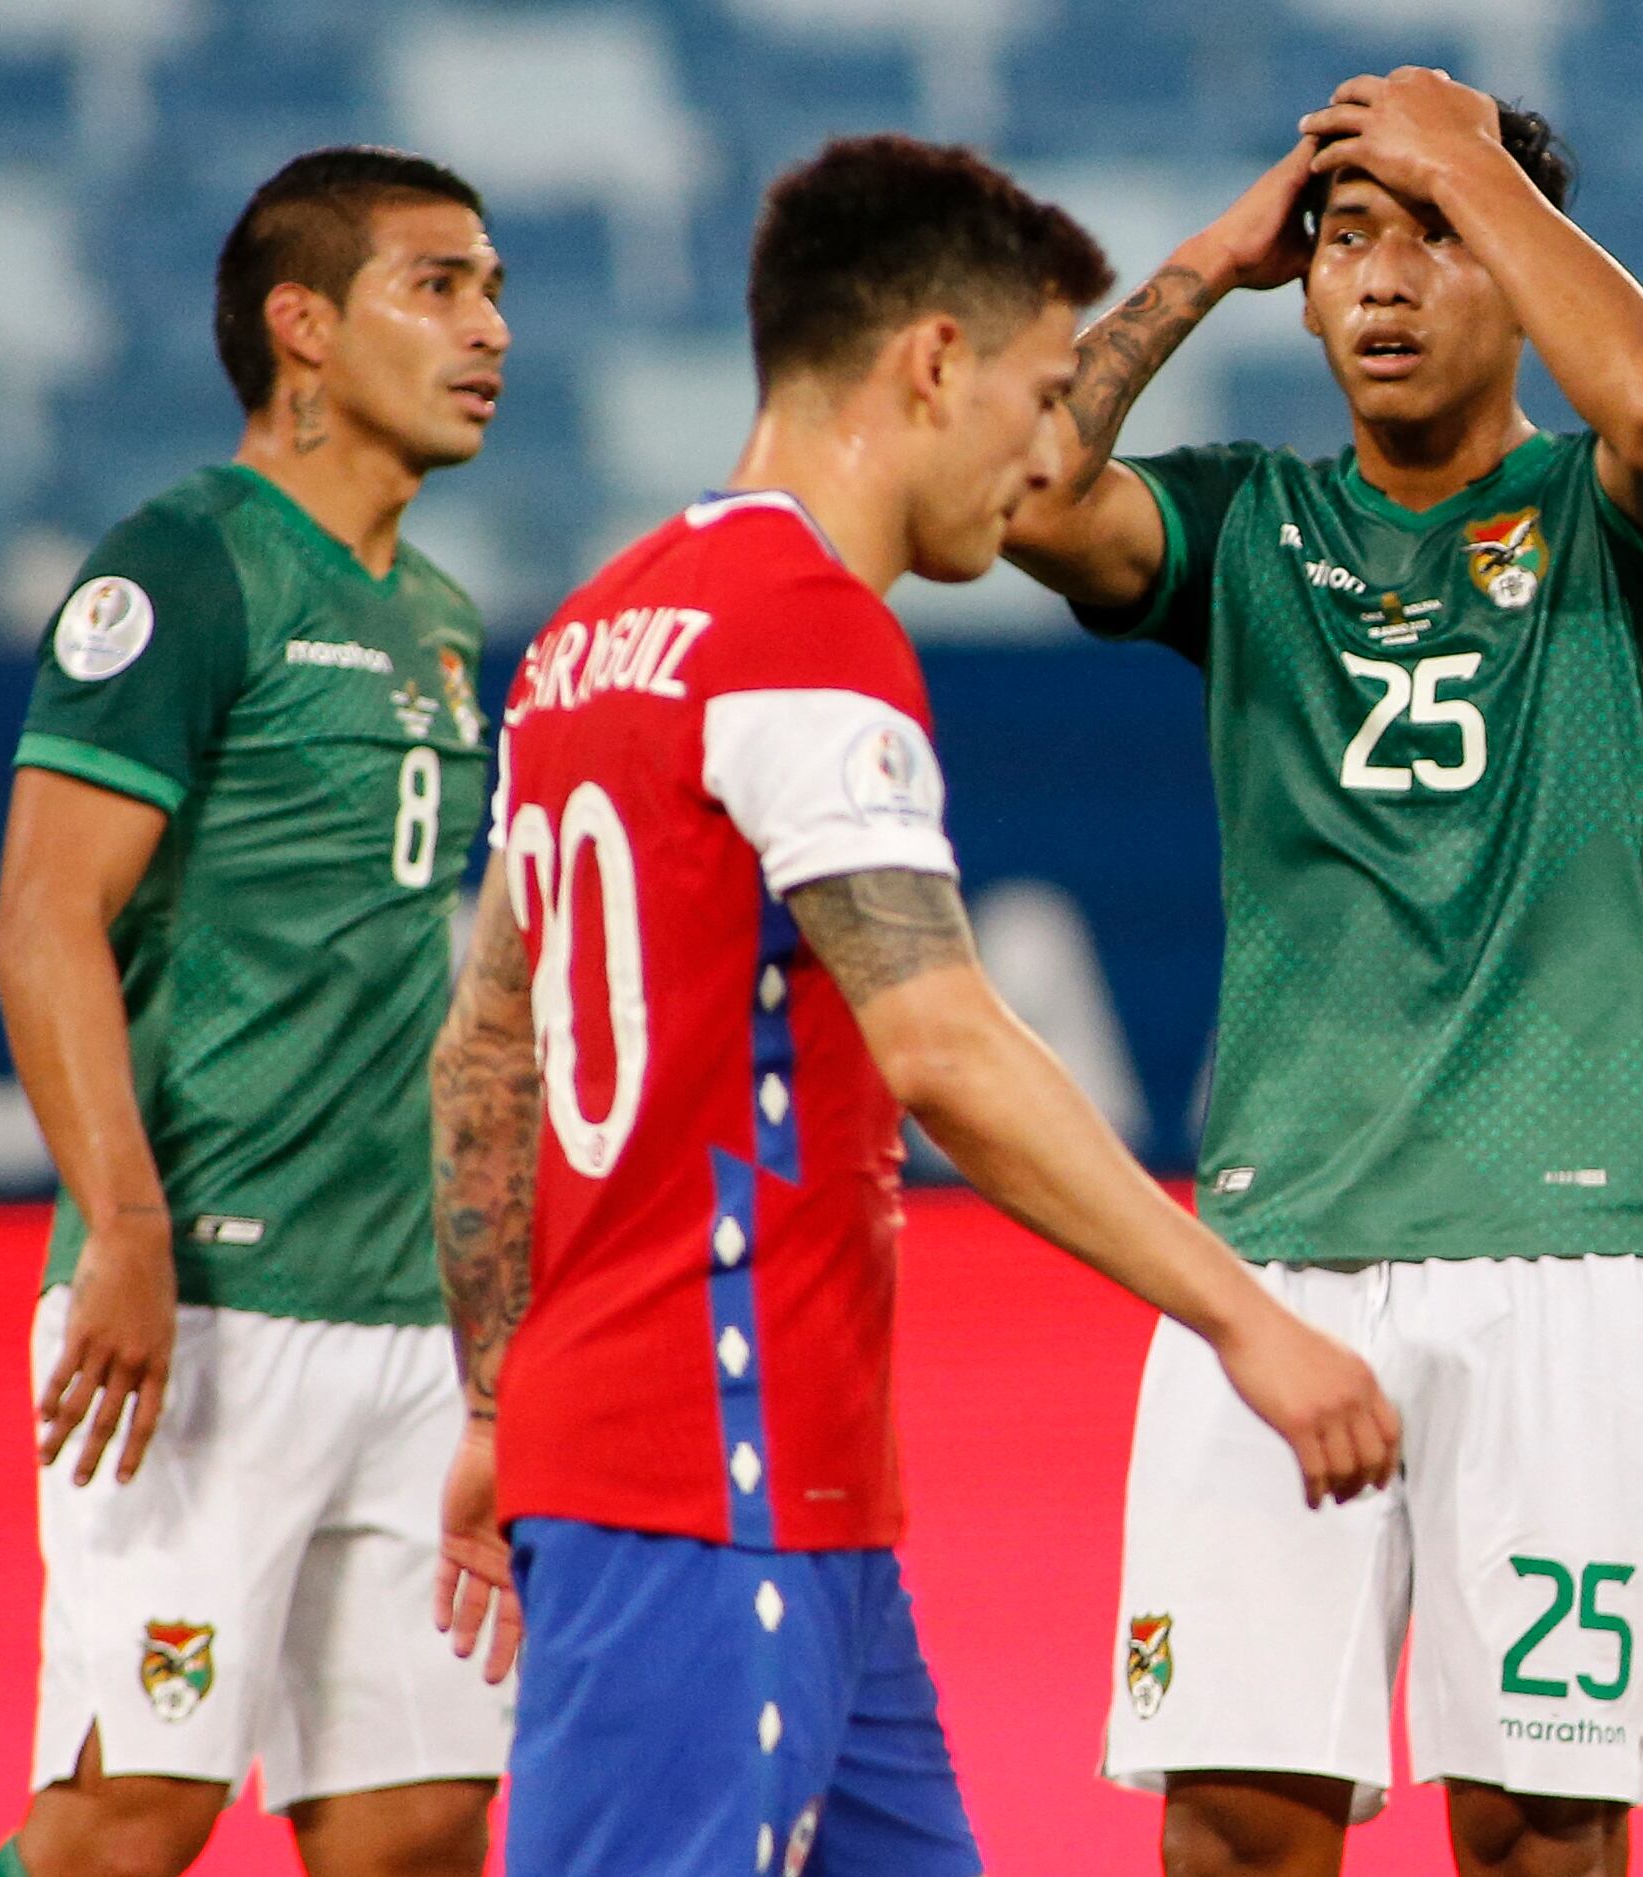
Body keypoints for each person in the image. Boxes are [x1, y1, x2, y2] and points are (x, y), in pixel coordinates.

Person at [423, 135, 1402, 1877]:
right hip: (705, 1471)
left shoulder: (592, 629)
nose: (1047, 454)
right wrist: (1245, 1317)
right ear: (931, 364)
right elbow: (941, 1043)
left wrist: (503, 1404)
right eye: (1037, 394)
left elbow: (488, 1049)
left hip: (758, 1483)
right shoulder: (806, 630)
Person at [1002, 67, 1643, 1877]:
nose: (1385, 283)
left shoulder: (1625, 526)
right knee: (1235, 1830)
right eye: (1347, 244)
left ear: (1517, 261)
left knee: (1538, 1839)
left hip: (1564, 1262)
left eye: (1434, 240)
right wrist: (1208, 257)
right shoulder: (1248, 524)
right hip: (1277, 1257)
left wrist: (1471, 170)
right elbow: (1021, 491)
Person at [0, 148, 515, 1877]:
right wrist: (124, 1227)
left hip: (405, 1318)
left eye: (495, 287)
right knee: (134, 1811)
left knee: (421, 1823)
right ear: (302, 327)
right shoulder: (186, 564)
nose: (490, 327)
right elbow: (47, 911)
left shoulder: (438, 614)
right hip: (204, 1301)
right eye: (437, 286)